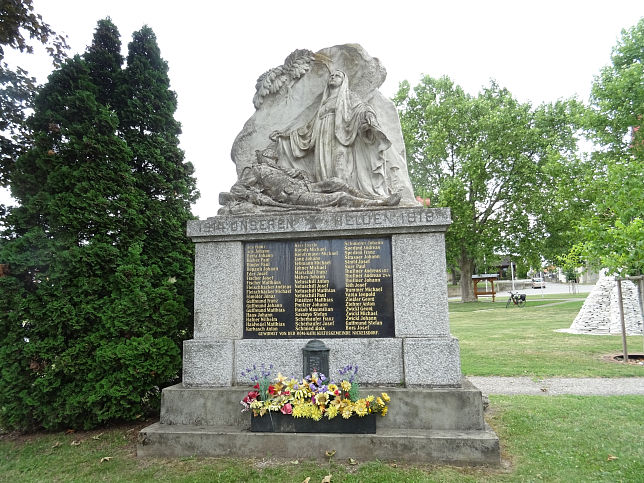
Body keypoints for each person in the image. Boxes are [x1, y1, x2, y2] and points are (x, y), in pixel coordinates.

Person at [270, 70, 392, 199]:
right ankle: (328, 198)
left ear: (343, 81)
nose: (333, 77)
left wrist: (369, 116)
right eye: (331, 76)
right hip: (322, 140)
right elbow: (309, 127)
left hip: (341, 137)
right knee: (323, 170)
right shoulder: (324, 102)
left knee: (340, 167)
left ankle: (347, 198)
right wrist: (286, 135)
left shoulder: (348, 96)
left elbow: (363, 108)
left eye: (337, 76)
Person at [218, 149, 401, 214]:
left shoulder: (279, 169)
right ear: (263, 158)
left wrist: (299, 175)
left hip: (305, 187)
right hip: (295, 197)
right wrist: (255, 196)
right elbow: (237, 189)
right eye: (271, 158)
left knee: (336, 182)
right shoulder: (256, 170)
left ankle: (372, 196)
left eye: (275, 159)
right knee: (340, 197)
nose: (274, 161)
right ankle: (380, 204)